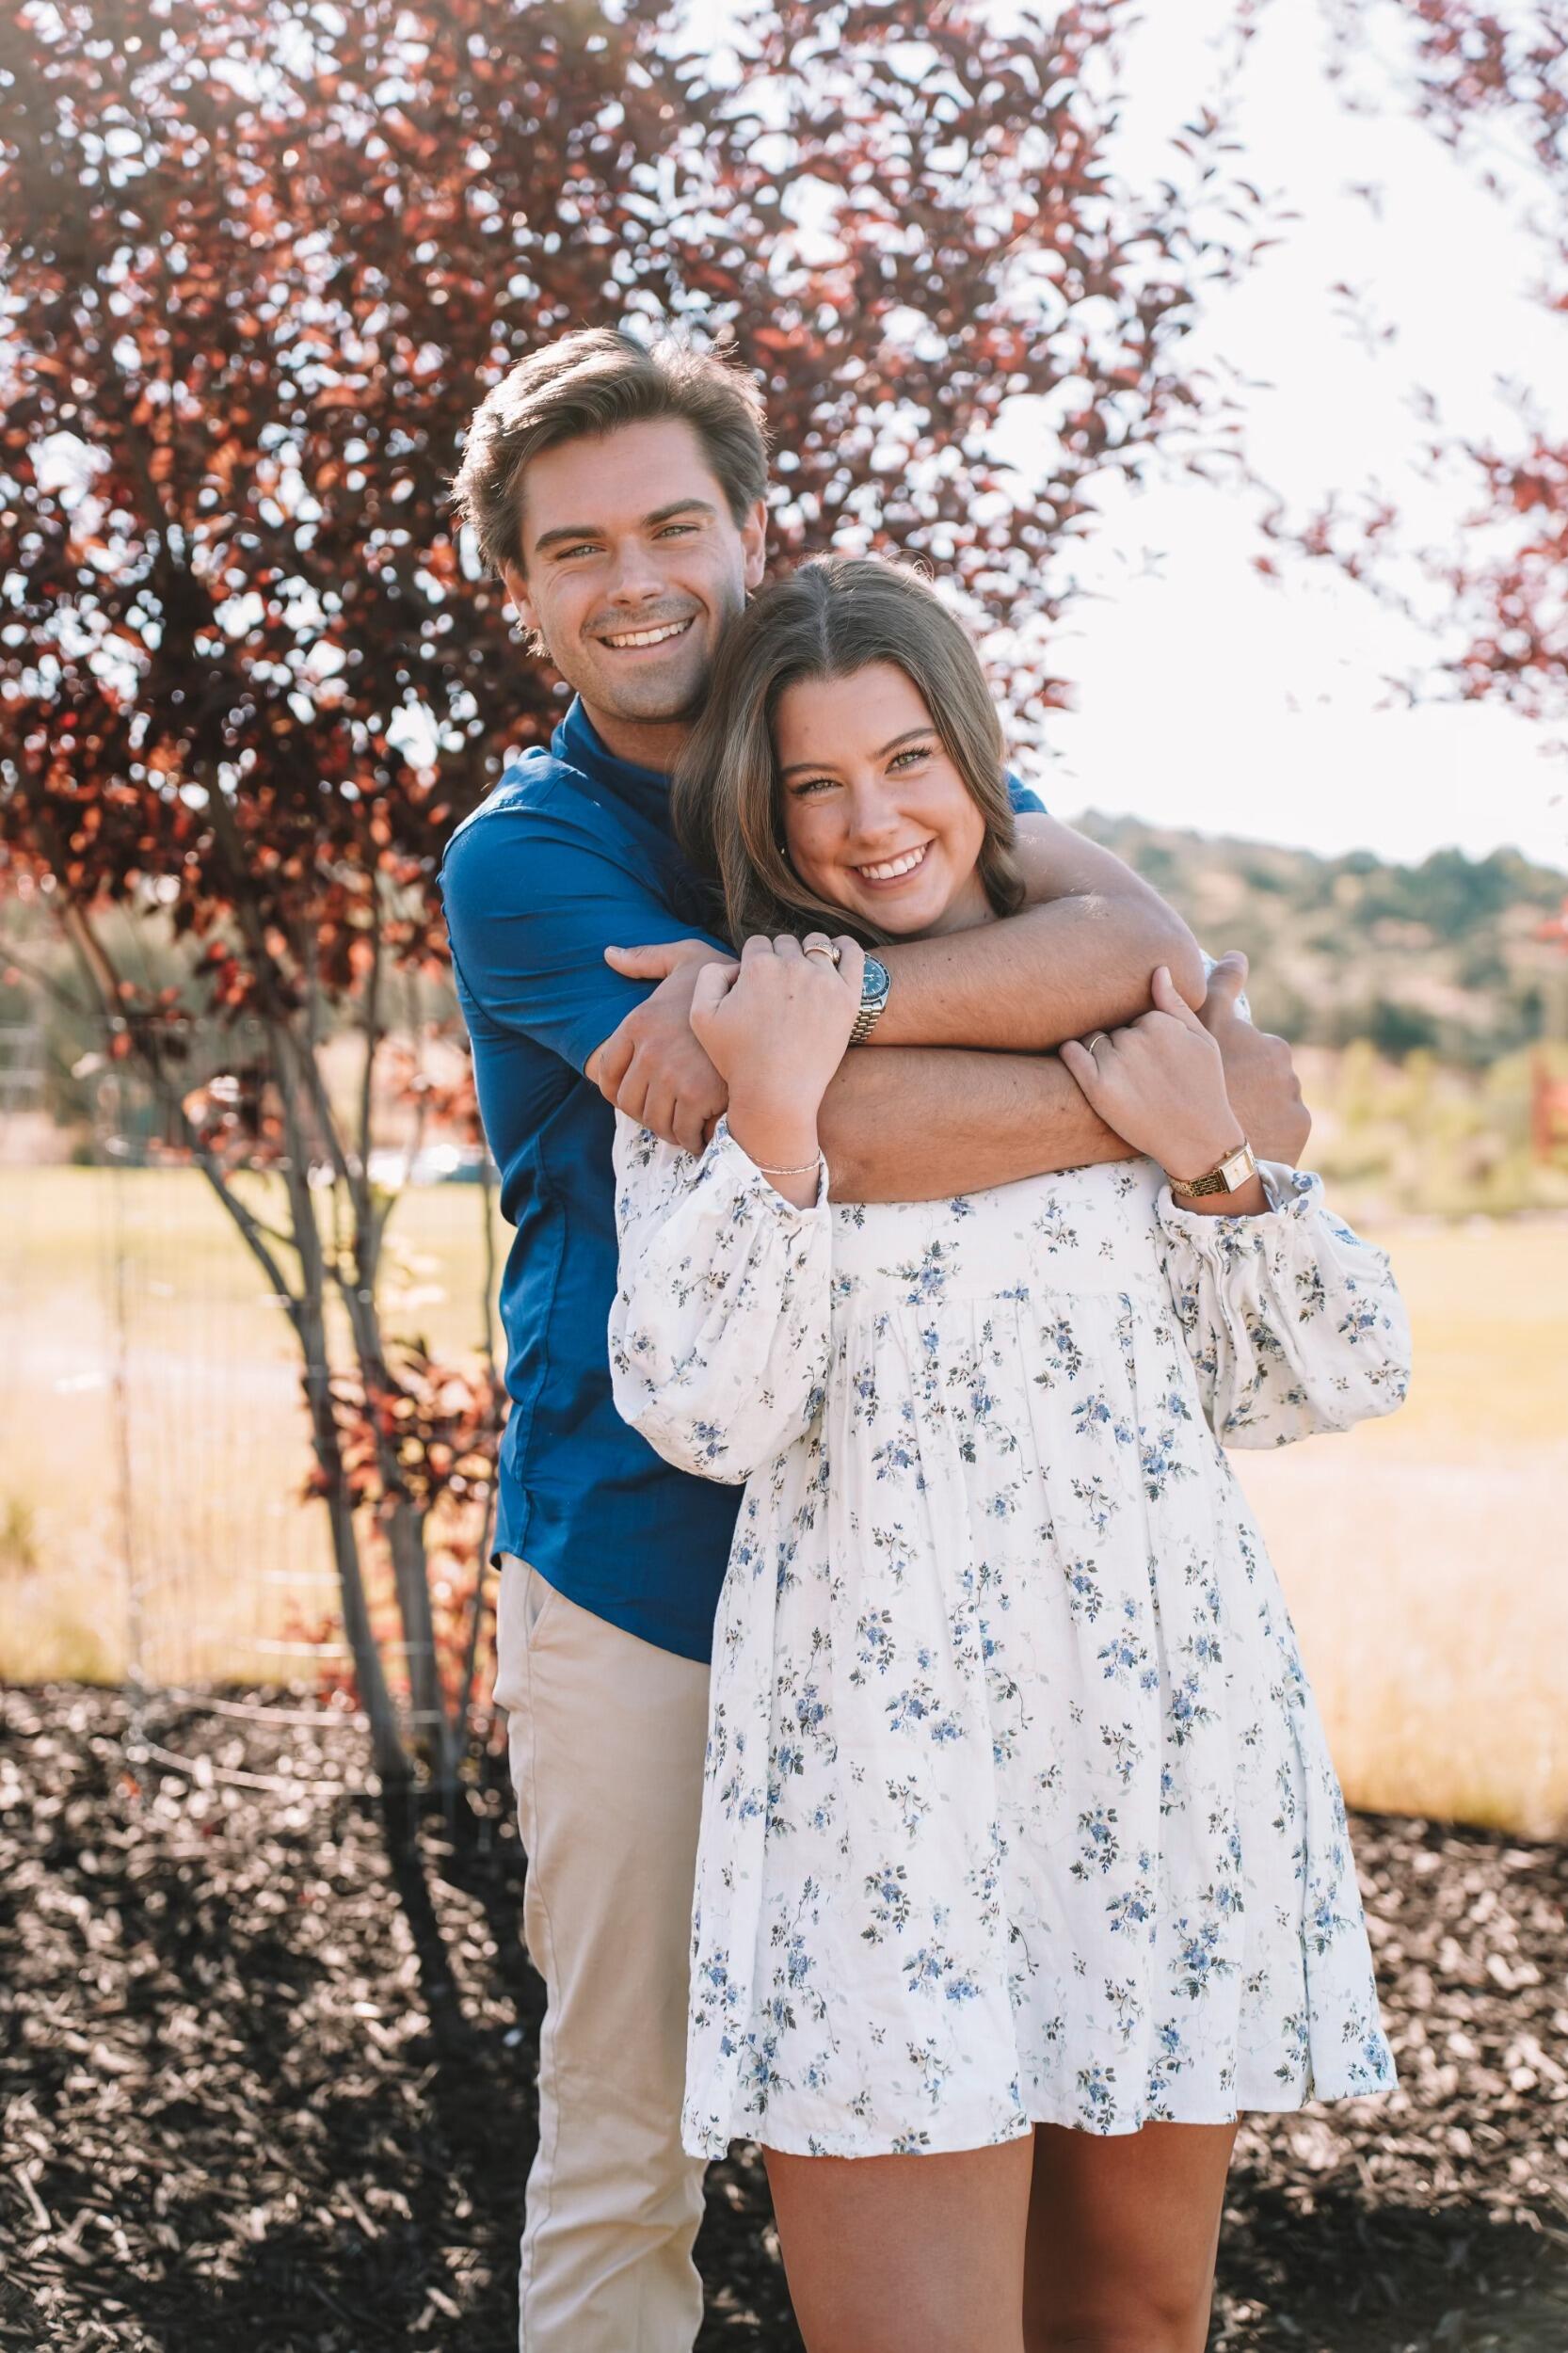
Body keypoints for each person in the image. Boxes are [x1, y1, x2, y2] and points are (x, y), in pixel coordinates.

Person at [440, 327, 1311, 2353]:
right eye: (576, 547)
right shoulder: (531, 856)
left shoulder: (877, 771)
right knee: (630, 2140)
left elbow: (1158, 971)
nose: (633, 573)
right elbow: (844, 1130)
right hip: (650, 1565)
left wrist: (802, 1014)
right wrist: (1114, 1082)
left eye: (673, 521)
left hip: (933, 1601)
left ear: (753, 533)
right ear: (525, 592)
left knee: (1002, 2088)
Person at [607, 553, 1408, 2353]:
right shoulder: (736, 1049)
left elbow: (1335, 1373)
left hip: (1154, 1723)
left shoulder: (1146, 1026)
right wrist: (783, 1124)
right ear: (764, 812)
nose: (869, 822)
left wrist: (1212, 1163)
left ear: (978, 764)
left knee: (1138, 2319)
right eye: (813, 785)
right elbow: (704, 1411)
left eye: (905, 761)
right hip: (881, 1755)